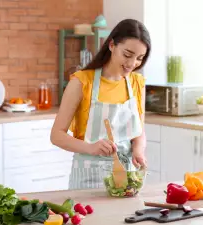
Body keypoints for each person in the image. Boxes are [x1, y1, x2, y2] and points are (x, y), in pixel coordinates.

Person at [50, 18, 151, 189]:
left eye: (139, 58)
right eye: (127, 55)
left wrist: (138, 150)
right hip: (88, 178)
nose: (132, 64)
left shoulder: (136, 83)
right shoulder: (82, 82)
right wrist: (90, 148)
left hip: (126, 177)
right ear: (111, 45)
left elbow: (138, 132)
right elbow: (56, 135)